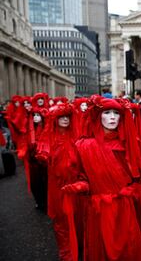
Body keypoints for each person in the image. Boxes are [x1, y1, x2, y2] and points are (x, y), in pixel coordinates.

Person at [62, 96, 141, 260]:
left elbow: (140, 176)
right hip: (100, 211)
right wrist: (80, 186)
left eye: (116, 113)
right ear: (98, 115)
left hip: (125, 209)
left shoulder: (127, 143)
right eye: (107, 112)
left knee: (129, 250)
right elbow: (83, 177)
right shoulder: (84, 146)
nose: (113, 117)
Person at [36, 103, 79, 260]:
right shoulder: (49, 136)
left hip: (75, 183)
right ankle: (65, 250)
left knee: (77, 215)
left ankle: (77, 246)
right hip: (58, 186)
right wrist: (44, 156)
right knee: (61, 219)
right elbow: (43, 152)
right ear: (55, 119)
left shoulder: (75, 135)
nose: (65, 119)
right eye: (61, 117)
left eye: (67, 116)